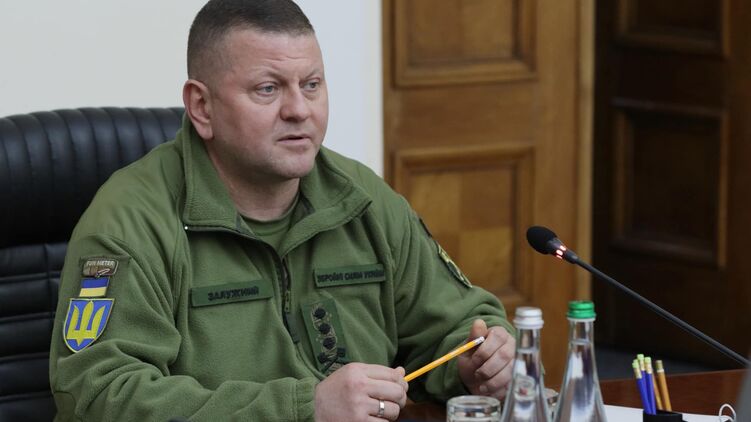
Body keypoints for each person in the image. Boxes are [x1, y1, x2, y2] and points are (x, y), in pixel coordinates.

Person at [49, 1, 516, 420]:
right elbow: (99, 394)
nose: (299, 110)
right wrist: (304, 408)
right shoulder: (129, 222)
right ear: (202, 107)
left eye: (311, 85)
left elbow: (457, 322)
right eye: (268, 89)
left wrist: (477, 361)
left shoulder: (361, 199)